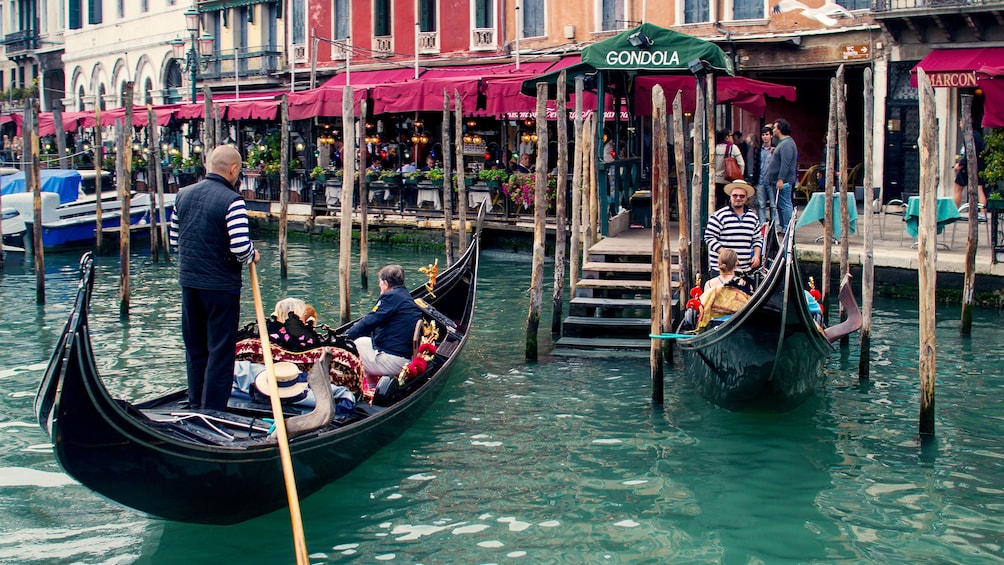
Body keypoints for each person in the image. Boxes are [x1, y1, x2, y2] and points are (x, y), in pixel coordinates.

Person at [169, 145, 260, 411]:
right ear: (233, 170)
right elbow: (241, 247)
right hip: (221, 288)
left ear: (208, 166)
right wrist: (253, 254)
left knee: (196, 349)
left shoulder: (182, 196)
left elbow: (175, 241)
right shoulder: (232, 201)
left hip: (189, 284)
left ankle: (196, 403)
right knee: (220, 352)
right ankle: (212, 411)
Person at [344, 264, 423, 377]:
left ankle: (358, 386)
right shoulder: (405, 296)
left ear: (385, 283)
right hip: (403, 356)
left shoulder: (390, 297)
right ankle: (372, 387)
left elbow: (368, 322)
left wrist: (342, 337)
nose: (379, 285)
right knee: (361, 342)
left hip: (395, 361)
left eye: (380, 282)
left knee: (350, 348)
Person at [704, 180, 762, 276]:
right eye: (735, 195)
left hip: (744, 270)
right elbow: (709, 237)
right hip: (721, 271)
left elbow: (757, 239)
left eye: (742, 196)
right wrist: (727, 256)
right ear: (730, 197)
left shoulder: (753, 217)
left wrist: (756, 256)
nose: (738, 198)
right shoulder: (719, 216)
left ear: (746, 198)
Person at [697, 248, 753, 332]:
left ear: (718, 264)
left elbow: (704, 308)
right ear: (736, 264)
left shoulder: (709, 284)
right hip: (738, 326)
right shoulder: (744, 284)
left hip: (712, 326)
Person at [764, 118, 798, 231]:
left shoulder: (787, 144)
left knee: (785, 205)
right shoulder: (782, 143)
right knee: (780, 205)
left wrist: (781, 179)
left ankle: (787, 227)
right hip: (776, 181)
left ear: (780, 129)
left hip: (783, 181)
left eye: (775, 128)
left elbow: (786, 163)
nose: (773, 130)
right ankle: (784, 226)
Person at [952, 120, 987, 215]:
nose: (959, 124)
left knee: (957, 188)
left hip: (968, 166)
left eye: (961, 122)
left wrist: (959, 164)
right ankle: (983, 214)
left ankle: (954, 212)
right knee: (979, 189)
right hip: (979, 166)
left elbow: (969, 154)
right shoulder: (978, 135)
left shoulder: (969, 136)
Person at [748, 125, 776, 225]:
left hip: (772, 181)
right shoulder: (759, 150)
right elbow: (756, 166)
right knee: (761, 204)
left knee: (773, 205)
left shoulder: (775, 149)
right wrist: (753, 180)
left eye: (767, 134)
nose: (765, 137)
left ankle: (774, 225)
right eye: (763, 135)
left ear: (771, 136)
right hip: (760, 180)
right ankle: (762, 224)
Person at [714, 129, 746, 210]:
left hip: (716, 180)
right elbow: (741, 163)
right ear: (727, 137)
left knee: (719, 203)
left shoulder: (714, 147)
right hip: (729, 180)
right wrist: (739, 177)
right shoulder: (733, 147)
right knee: (730, 203)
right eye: (731, 135)